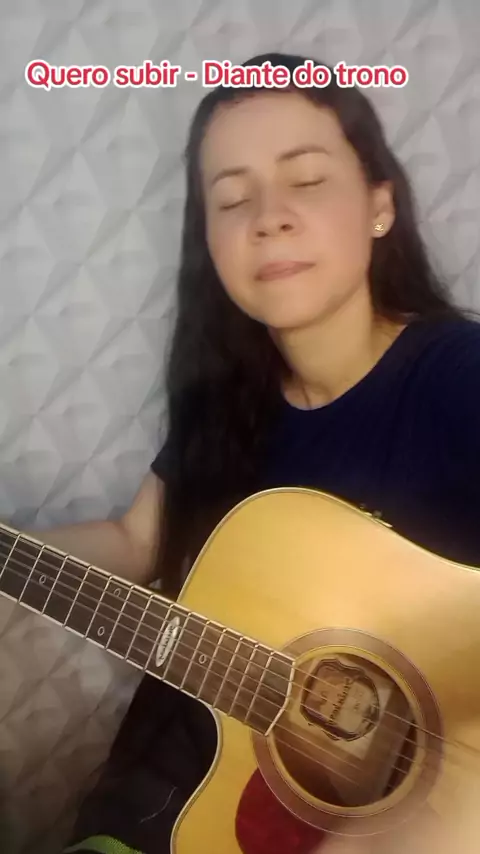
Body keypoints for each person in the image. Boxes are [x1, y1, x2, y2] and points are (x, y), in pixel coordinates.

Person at [22, 51, 480, 853]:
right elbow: (136, 540)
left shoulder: (459, 376)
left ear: (380, 206)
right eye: (232, 199)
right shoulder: (226, 401)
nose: (268, 217)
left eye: (306, 180)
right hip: (179, 797)